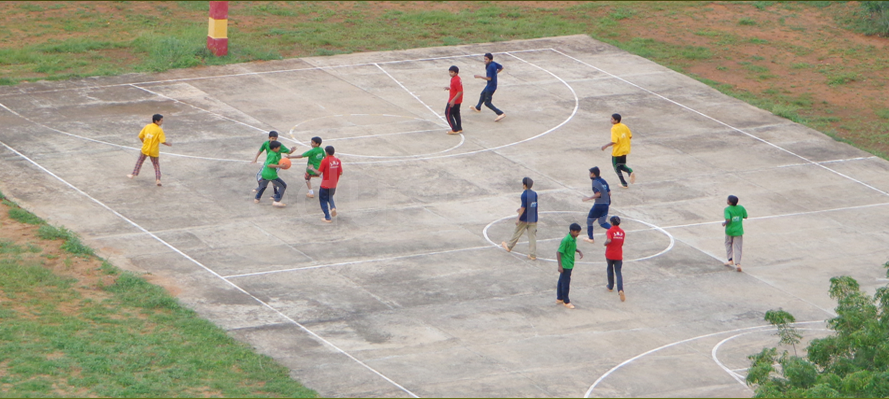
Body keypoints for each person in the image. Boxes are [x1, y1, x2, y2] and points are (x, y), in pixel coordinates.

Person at [127, 114, 171, 186]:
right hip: (154, 151)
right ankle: (158, 180)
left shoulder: (147, 126)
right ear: (156, 121)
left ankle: (133, 174)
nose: (162, 122)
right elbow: (162, 141)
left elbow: (140, 136)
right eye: (161, 120)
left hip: (145, 149)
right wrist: (168, 144)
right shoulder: (159, 130)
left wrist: (144, 142)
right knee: (156, 165)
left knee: (139, 161)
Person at [501, 177, 538, 260]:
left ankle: (509, 246)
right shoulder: (534, 194)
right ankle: (533, 254)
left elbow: (523, 207)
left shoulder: (524, 194)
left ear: (524, 185)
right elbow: (532, 205)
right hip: (533, 218)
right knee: (532, 236)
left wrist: (518, 218)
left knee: (517, 232)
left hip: (525, 218)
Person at [600, 113, 636, 188]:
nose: (611, 120)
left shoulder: (614, 128)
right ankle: (629, 172)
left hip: (617, 151)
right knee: (622, 165)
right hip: (625, 149)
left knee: (616, 168)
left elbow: (614, 141)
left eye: (612, 119)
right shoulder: (624, 126)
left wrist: (605, 146)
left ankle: (625, 181)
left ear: (616, 121)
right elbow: (630, 136)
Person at [252, 130, 291, 196]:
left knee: (273, 178)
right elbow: (260, 150)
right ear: (269, 138)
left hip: (277, 164)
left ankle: (274, 192)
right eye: (272, 138)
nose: (274, 140)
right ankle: (261, 187)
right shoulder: (266, 144)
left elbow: (288, 151)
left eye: (275, 139)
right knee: (259, 175)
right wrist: (255, 159)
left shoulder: (278, 145)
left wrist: (291, 151)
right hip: (269, 162)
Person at [470, 53, 505, 122]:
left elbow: (489, 78)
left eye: (486, 59)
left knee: (487, 103)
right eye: (484, 59)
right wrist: (495, 73)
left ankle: (500, 113)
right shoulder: (493, 64)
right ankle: (478, 107)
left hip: (491, 87)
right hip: (490, 85)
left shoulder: (490, 67)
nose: (485, 61)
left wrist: (480, 76)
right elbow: (501, 67)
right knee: (482, 94)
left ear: (490, 60)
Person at [556, 223, 584, 309]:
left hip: (570, 263)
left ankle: (560, 297)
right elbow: (559, 252)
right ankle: (566, 301)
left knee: (561, 280)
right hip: (566, 264)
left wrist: (578, 251)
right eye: (577, 232)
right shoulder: (566, 240)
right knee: (566, 282)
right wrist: (560, 266)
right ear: (572, 231)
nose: (578, 234)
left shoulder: (573, 238)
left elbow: (572, 247)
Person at [312, 145, 343, 223]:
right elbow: (341, 172)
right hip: (333, 184)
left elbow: (319, 172)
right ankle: (333, 207)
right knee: (330, 197)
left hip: (325, 184)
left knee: (323, 200)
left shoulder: (325, 161)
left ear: (326, 152)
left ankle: (327, 217)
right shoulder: (338, 161)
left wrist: (312, 168)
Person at [581, 167, 611, 244]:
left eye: (590, 173)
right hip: (606, 204)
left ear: (593, 174)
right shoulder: (603, 181)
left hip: (598, 205)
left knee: (589, 221)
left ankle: (591, 238)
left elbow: (598, 194)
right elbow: (609, 193)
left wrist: (588, 198)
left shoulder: (595, 182)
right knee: (602, 222)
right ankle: (614, 230)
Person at [254, 141, 287, 208]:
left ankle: (257, 198)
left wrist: (280, 163)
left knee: (263, 186)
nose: (279, 149)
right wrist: (280, 166)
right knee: (283, 185)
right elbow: (269, 164)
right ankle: (277, 201)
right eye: (278, 148)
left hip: (265, 173)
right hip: (271, 174)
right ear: (274, 148)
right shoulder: (273, 154)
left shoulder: (270, 153)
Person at [604, 216, 626, 302]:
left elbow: (609, 240)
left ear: (612, 223)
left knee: (610, 269)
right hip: (618, 255)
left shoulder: (610, 231)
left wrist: (605, 243)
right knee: (618, 272)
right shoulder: (622, 232)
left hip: (610, 254)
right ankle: (620, 289)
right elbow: (622, 243)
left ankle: (610, 286)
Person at [722, 195, 747, 272]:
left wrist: (724, 223)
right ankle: (738, 263)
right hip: (738, 231)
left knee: (728, 244)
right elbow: (745, 216)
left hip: (729, 231)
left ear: (729, 202)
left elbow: (728, 219)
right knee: (738, 247)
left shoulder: (727, 209)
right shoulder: (741, 208)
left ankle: (730, 259)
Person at [445, 65, 463, 135]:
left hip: (454, 100)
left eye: (452, 72)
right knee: (456, 113)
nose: (450, 73)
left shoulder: (455, 80)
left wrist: (453, 100)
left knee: (448, 113)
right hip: (458, 100)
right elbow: (456, 89)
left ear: (456, 73)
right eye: (449, 72)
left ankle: (454, 129)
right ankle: (459, 128)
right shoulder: (456, 79)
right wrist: (450, 89)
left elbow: (460, 91)